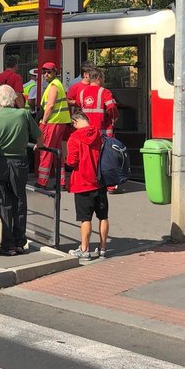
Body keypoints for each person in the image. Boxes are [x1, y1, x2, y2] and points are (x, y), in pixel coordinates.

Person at [0, 84, 41, 256]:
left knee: (4, 203)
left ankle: (7, 245)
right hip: (20, 162)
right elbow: (39, 135)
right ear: (14, 99)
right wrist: (40, 144)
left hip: (1, 164)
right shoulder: (23, 114)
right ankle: (19, 242)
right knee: (20, 201)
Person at [65, 110, 109, 260]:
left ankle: (84, 249)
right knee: (103, 216)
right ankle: (103, 248)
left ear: (75, 122)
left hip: (83, 182)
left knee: (85, 219)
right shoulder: (99, 134)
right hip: (100, 181)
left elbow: (71, 161)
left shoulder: (74, 137)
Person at [37, 62, 70, 189]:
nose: (46, 74)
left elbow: (50, 105)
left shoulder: (53, 86)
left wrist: (43, 121)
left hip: (52, 122)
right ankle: (61, 182)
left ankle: (42, 182)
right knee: (57, 152)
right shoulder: (57, 84)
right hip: (60, 122)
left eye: (49, 72)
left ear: (55, 72)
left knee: (46, 151)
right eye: (44, 72)